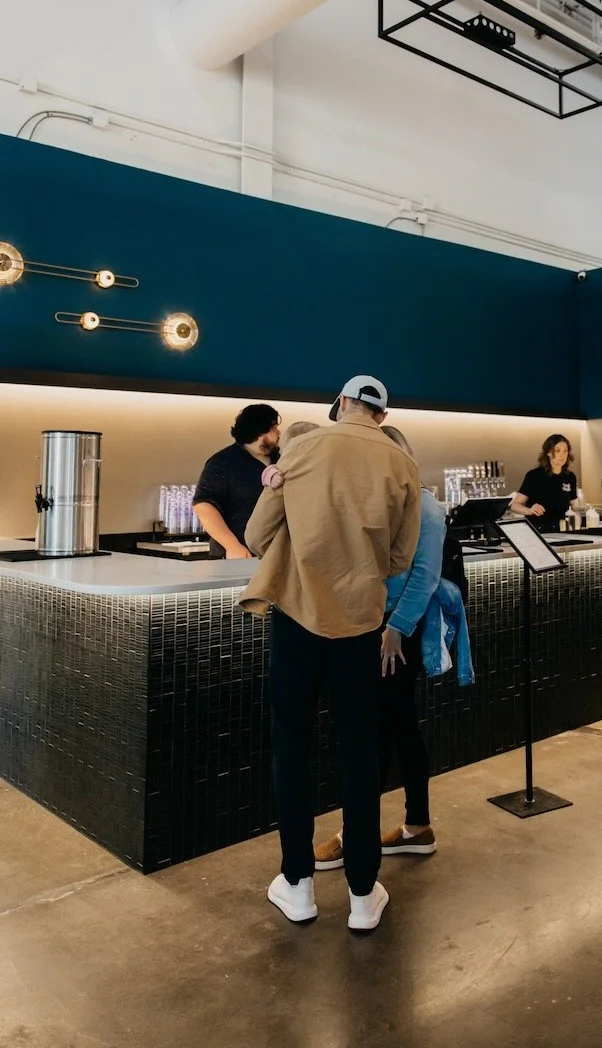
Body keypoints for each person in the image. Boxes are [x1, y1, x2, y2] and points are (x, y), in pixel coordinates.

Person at [240, 376, 420, 932]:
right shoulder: (401, 463)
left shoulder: (304, 447)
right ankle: (364, 895)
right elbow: (397, 559)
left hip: (297, 620)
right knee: (360, 753)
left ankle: (297, 886)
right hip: (360, 625)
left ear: (340, 404)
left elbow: (255, 534)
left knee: (291, 749)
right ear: (382, 415)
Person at [314, 424, 473, 873]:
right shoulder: (398, 501)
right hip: (383, 626)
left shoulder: (423, 505)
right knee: (399, 724)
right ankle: (417, 827)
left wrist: (395, 629)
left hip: (392, 631)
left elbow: (422, 576)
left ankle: (355, 833)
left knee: (372, 731)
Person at [193, 404, 281, 559]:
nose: (279, 433)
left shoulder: (282, 460)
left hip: (275, 557)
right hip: (237, 556)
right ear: (260, 431)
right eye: (274, 427)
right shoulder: (223, 463)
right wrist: (232, 546)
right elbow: (204, 506)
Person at [510, 433, 578, 533]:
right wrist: (530, 510)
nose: (562, 455)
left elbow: (573, 506)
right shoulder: (534, 476)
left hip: (564, 530)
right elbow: (515, 505)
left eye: (565, 451)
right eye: (557, 451)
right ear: (549, 452)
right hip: (538, 531)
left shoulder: (570, 477)